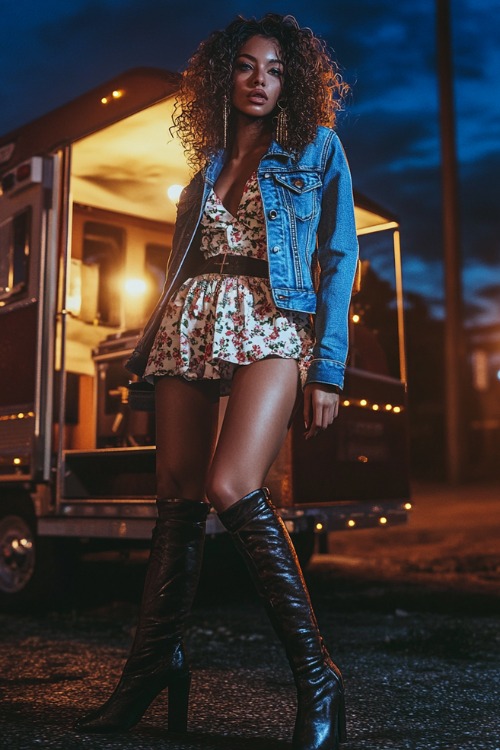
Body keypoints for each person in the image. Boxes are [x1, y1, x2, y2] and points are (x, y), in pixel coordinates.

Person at [75, 13, 358, 750]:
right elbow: (176, 275)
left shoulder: (316, 149)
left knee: (232, 485)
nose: (260, 80)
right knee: (173, 495)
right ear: (222, 77)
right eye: (246, 66)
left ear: (292, 79)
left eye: (274, 68)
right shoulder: (202, 169)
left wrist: (326, 368)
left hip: (272, 320)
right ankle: (153, 665)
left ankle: (316, 674)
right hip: (191, 323)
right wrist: (141, 372)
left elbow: (338, 259)